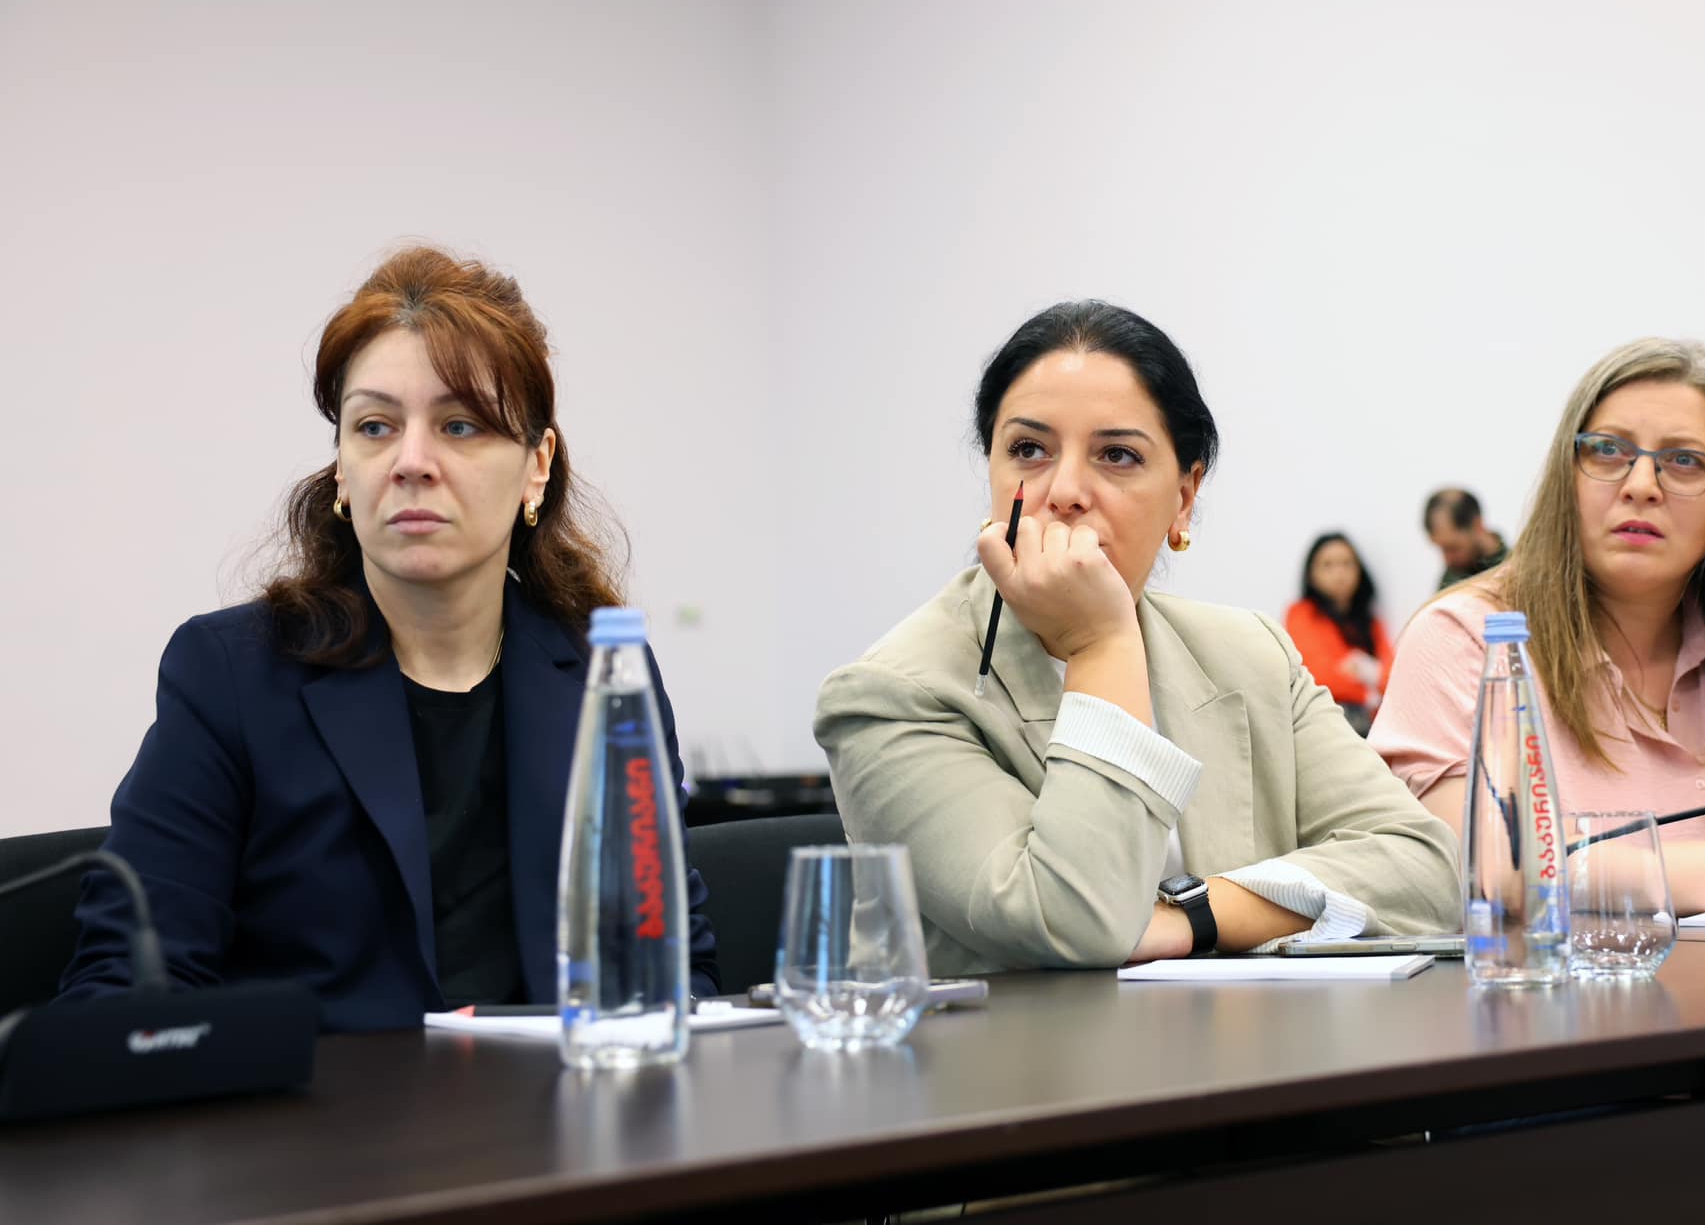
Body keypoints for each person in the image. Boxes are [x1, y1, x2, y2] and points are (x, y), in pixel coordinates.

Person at [61, 247, 719, 1030]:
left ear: (537, 466)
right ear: (342, 469)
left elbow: (675, 968)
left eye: (460, 425)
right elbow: (129, 988)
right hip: (319, 1106)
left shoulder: (598, 676)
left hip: (564, 1103)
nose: (411, 462)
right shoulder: (232, 675)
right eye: (374, 427)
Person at [815, 301, 1460, 976]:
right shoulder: (889, 693)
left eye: (1117, 455)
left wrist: (1189, 918)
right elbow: (1078, 921)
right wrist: (1100, 643)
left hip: (1244, 1040)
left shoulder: (1251, 655)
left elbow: (1425, 870)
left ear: (1184, 497)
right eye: (1028, 450)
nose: (1064, 490)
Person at [1370, 339, 1705, 915]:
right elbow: (1490, 869)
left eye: (1685, 460)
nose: (1641, 483)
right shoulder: (1466, 638)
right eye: (1607, 450)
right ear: (1567, 476)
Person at [1285, 532, 1395, 733]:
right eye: (1327, 565)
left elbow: (1394, 677)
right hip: (1328, 724)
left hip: (1374, 727)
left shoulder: (1371, 622)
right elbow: (1317, 676)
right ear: (1311, 574)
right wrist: (1368, 691)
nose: (1339, 573)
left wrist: (1365, 672)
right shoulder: (1301, 613)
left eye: (1347, 564)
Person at [1424, 488, 1509, 590]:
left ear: (1477, 525)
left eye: (1453, 548)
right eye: (1441, 549)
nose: (1447, 560)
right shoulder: (1452, 575)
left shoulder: (1517, 572)